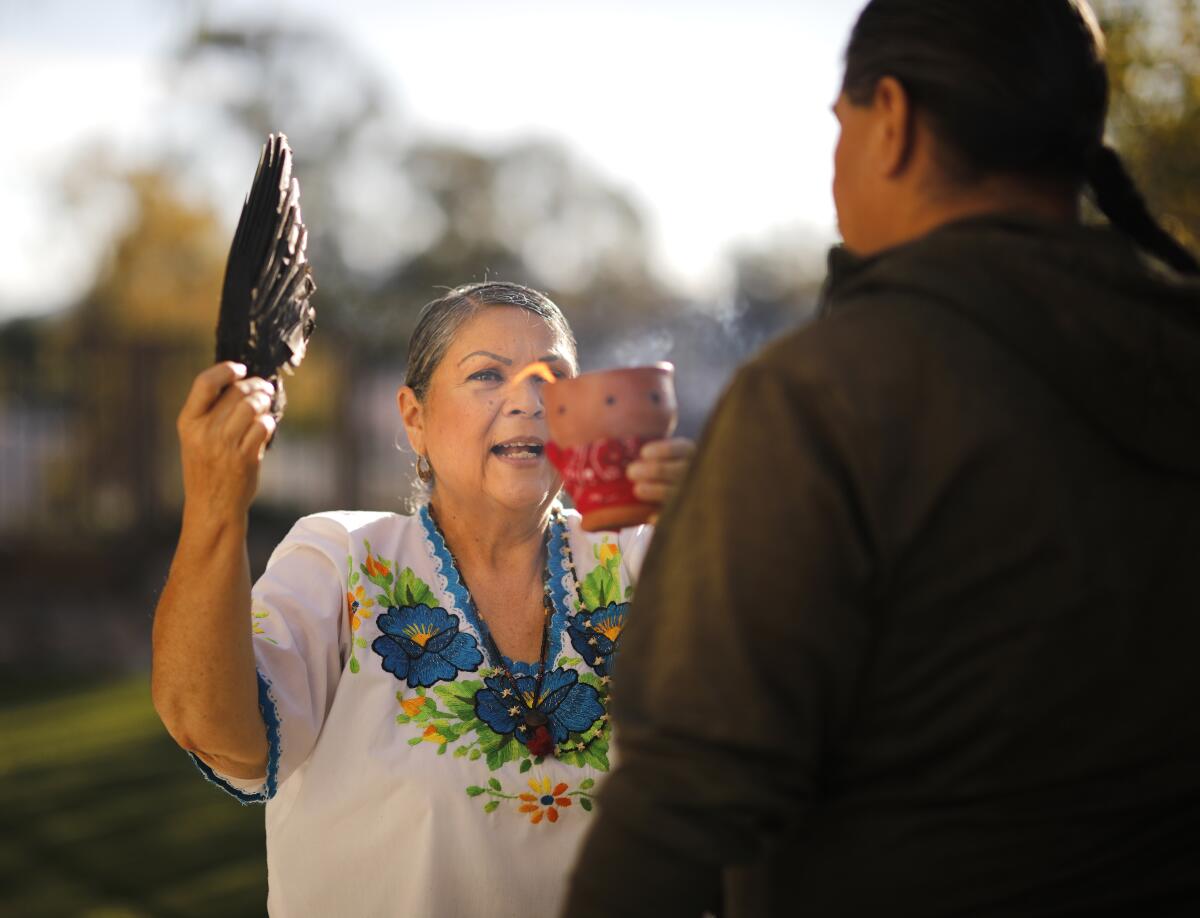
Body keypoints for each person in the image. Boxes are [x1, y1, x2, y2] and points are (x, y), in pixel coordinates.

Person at [564, 1, 1200, 915]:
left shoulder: (827, 393)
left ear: (891, 120)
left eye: (840, 126)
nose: (835, 163)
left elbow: (686, 793)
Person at [151, 281, 693, 916]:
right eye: (488, 375)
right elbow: (218, 734)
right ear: (415, 419)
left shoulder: (639, 557)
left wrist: (711, 521)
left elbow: (784, 710)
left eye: (553, 378)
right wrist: (216, 506)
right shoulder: (343, 561)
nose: (529, 399)